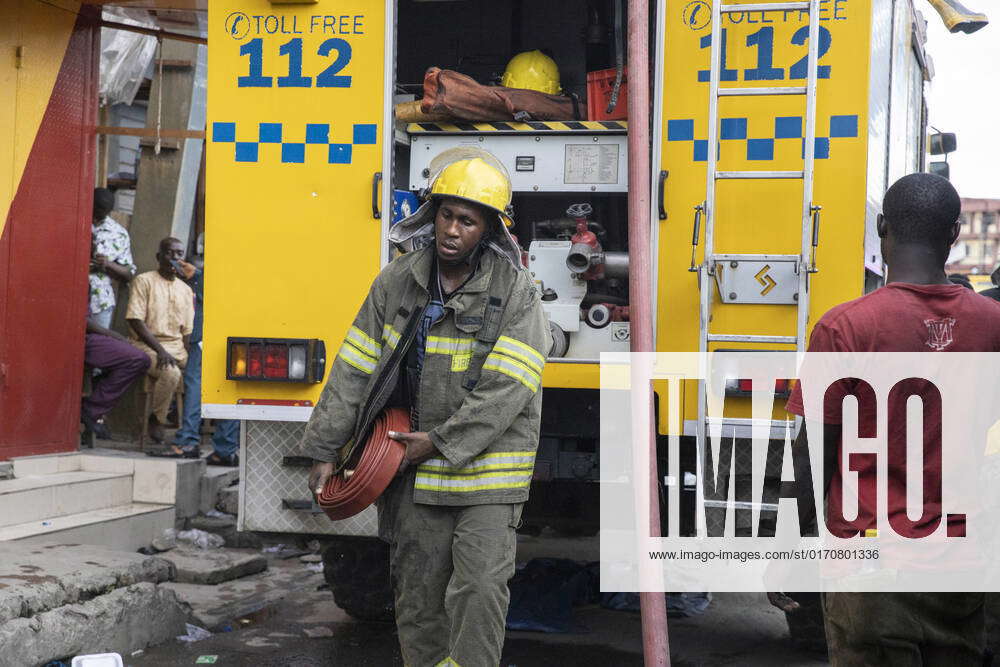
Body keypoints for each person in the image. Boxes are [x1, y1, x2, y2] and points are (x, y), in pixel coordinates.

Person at [301, 151, 550, 667]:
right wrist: (324, 449)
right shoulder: (396, 281)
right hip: (412, 474)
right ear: (430, 214)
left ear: (488, 230)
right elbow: (354, 368)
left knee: (479, 592)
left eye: (467, 220)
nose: (452, 230)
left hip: (485, 476)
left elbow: (508, 389)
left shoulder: (516, 294)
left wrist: (438, 442)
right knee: (417, 603)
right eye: (445, 215)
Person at [778, 173, 1000, 665]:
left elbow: (814, 452)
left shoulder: (846, 326)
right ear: (955, 233)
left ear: (882, 227)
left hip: (868, 565)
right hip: (961, 564)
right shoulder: (991, 325)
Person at [169, 258, 240, 465]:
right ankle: (225, 449)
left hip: (211, 330)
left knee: (195, 382)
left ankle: (187, 442)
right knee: (230, 386)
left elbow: (217, 290)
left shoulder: (224, 249)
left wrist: (198, 277)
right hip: (236, 330)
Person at [126, 237, 195, 446]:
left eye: (179, 254)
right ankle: (157, 419)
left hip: (177, 347)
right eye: (170, 253)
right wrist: (161, 351)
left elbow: (188, 331)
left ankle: (191, 428)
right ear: (159, 257)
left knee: (202, 373)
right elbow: (135, 320)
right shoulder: (143, 280)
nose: (175, 258)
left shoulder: (185, 289)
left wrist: (194, 357)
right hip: (147, 345)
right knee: (171, 372)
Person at [81, 316, 151, 440]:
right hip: (82, 337)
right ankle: (91, 409)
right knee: (137, 359)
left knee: (140, 360)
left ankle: (90, 407)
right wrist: (112, 335)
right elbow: (81, 319)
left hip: (97, 336)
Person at [89, 188, 136, 328]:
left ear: (109, 211)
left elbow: (128, 274)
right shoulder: (73, 221)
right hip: (67, 295)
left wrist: (108, 264)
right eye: (94, 211)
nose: (95, 218)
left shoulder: (119, 234)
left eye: (100, 214)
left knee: (98, 345)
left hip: (99, 301)